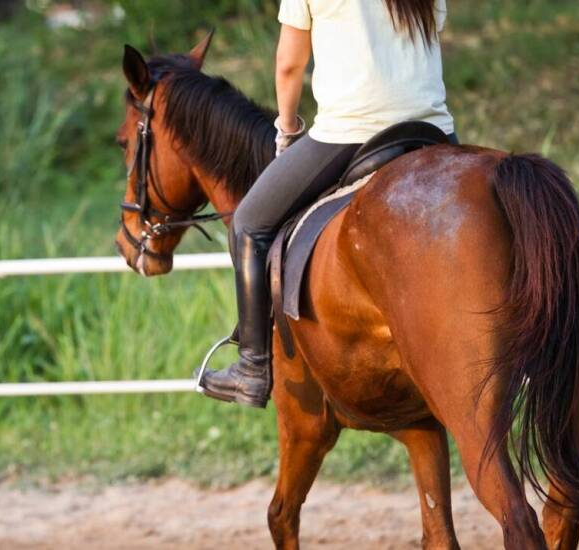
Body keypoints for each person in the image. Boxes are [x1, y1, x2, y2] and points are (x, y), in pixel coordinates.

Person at [197, 0, 459, 408]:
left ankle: (252, 368)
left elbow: (289, 64)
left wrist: (287, 129)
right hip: (433, 130)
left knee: (248, 223)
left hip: (352, 131)